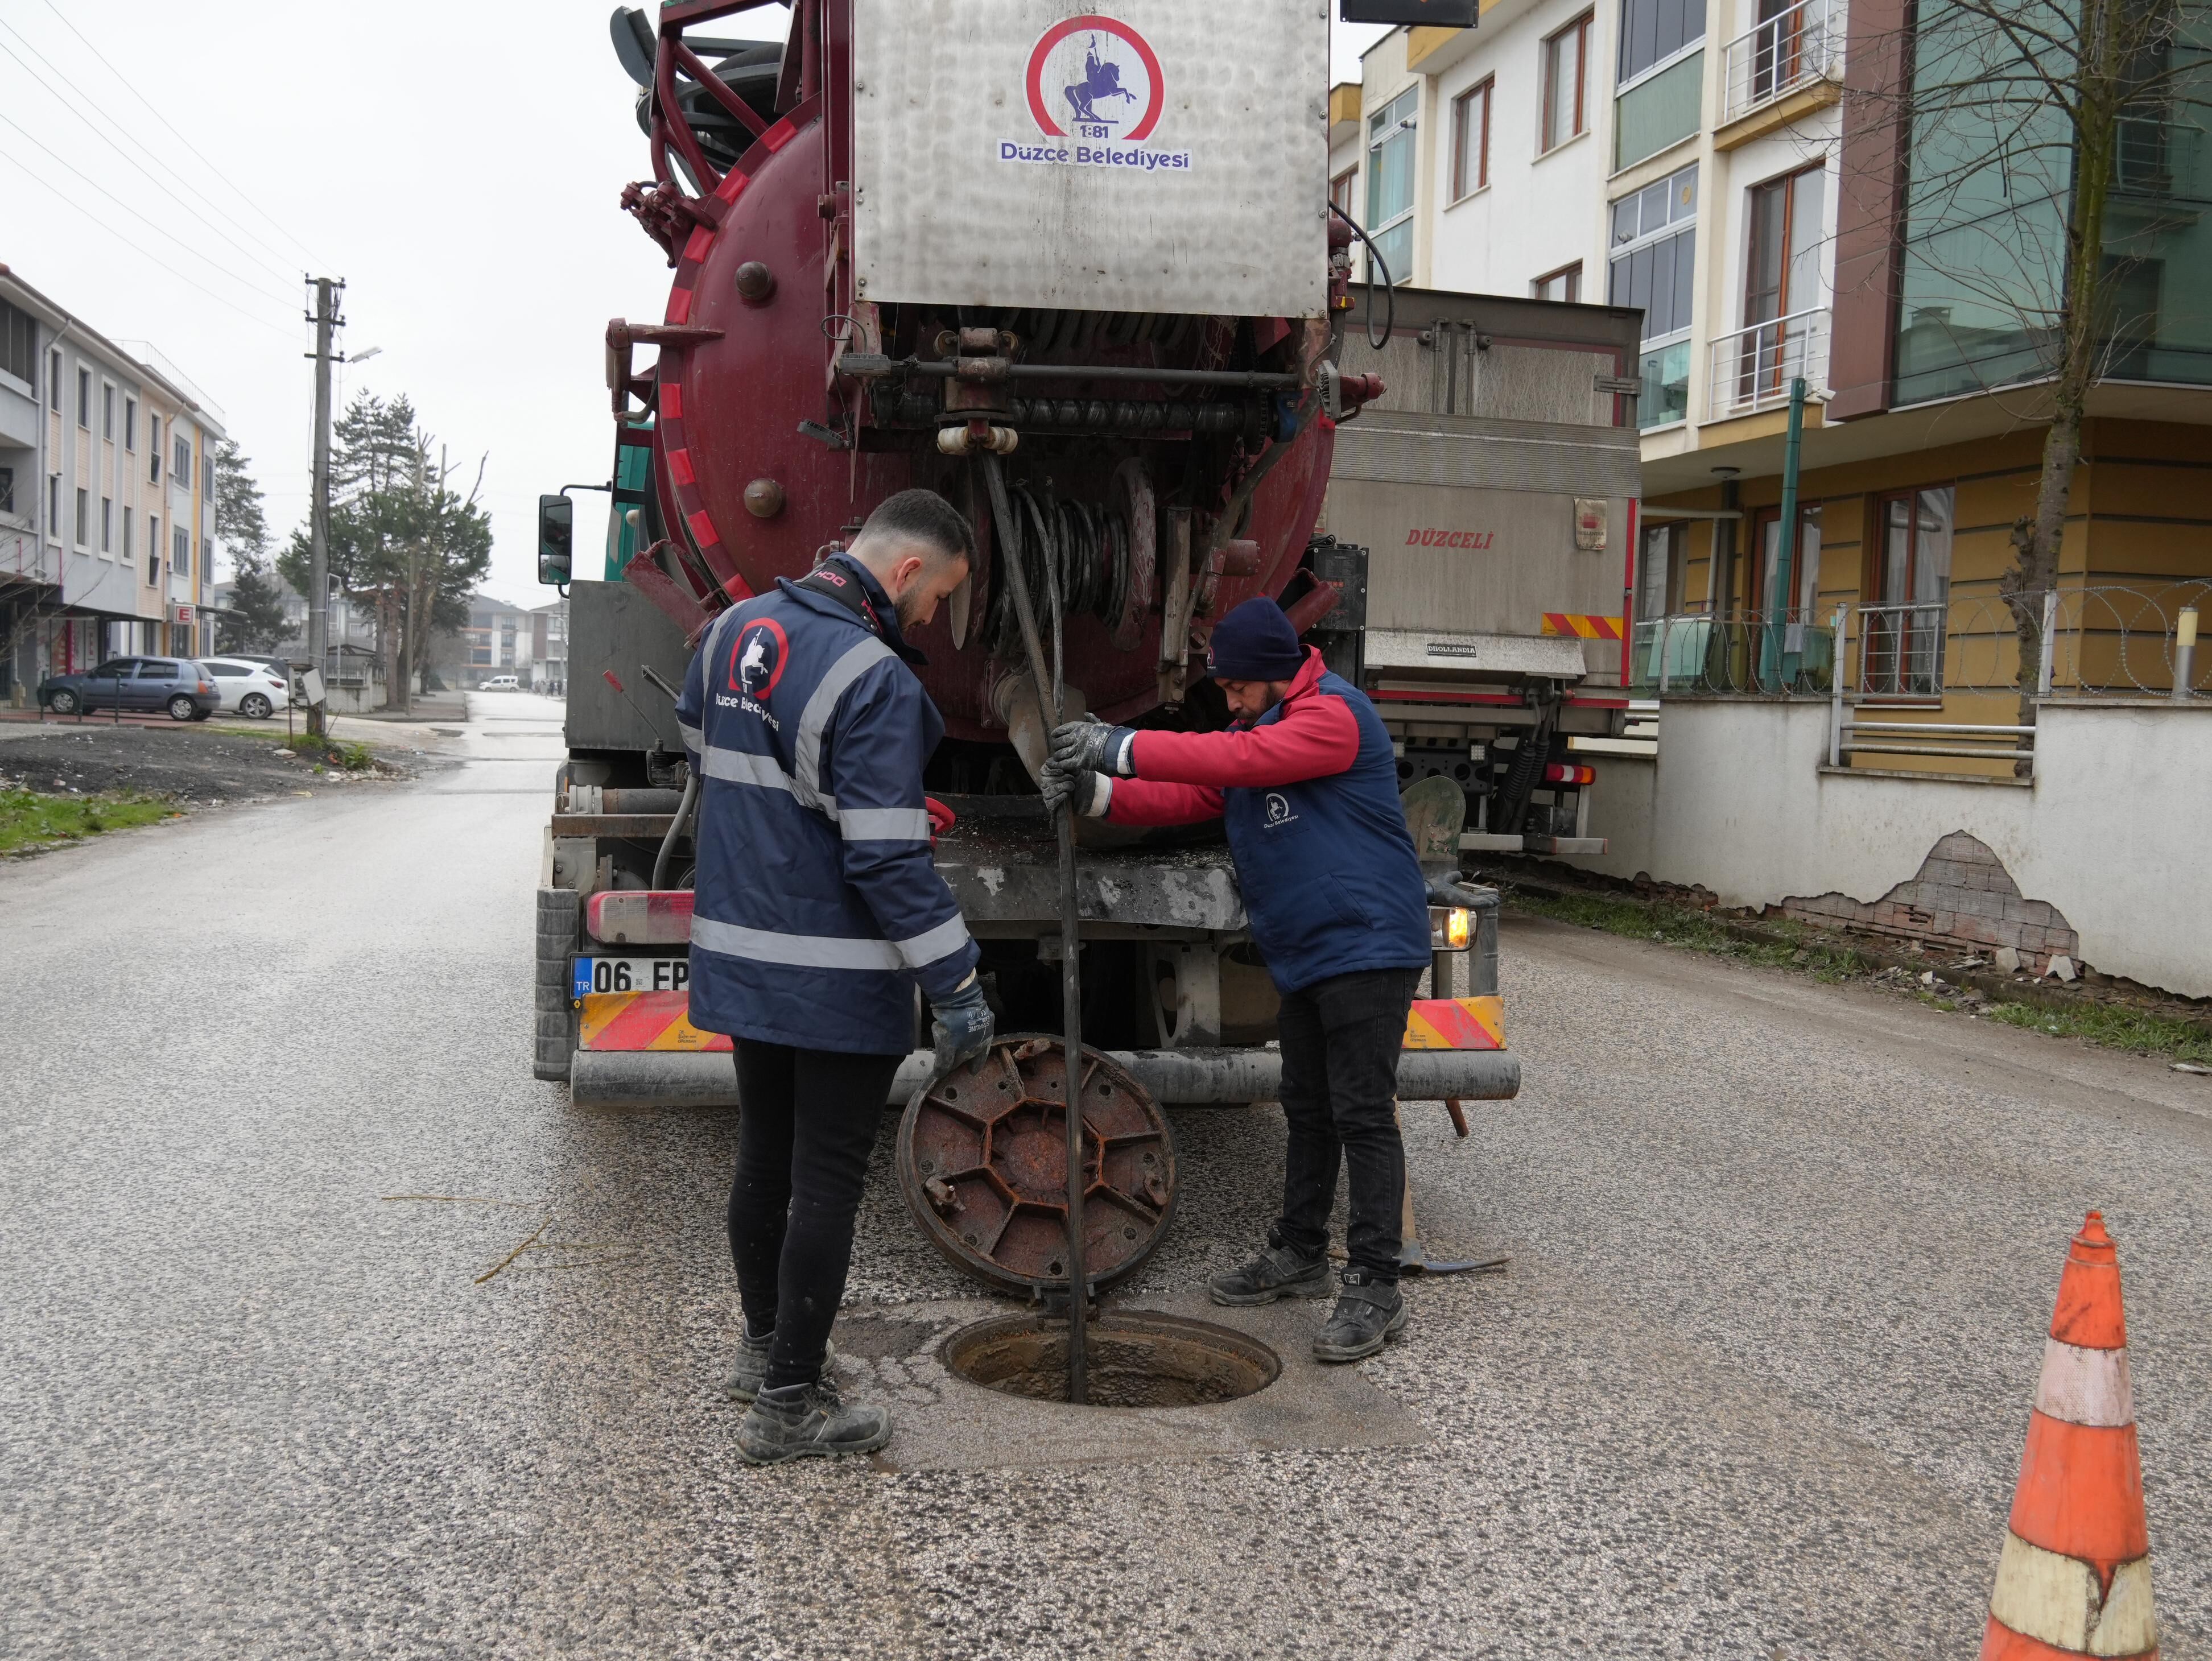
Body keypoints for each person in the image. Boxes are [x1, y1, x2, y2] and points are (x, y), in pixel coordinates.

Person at [675, 489, 994, 1464]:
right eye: (940, 596)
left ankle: (762, 1351)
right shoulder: (874, 675)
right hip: (836, 975)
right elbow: (887, 861)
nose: (932, 617)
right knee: (825, 1184)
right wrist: (958, 984)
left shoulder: (732, 629)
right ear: (907, 570)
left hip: (743, 953)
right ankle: (788, 1407)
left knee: (764, 1158)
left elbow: (709, 751)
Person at [1042, 597, 1432, 1361]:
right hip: (1309, 950)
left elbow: (1234, 762)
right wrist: (1098, 794)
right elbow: (1196, 792)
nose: (1229, 702)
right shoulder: (1265, 726)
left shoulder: (1333, 717)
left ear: (1277, 671)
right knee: (1309, 1109)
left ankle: (1376, 1286)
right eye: (1223, 689)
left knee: (1361, 1114)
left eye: (1237, 687)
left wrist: (1116, 745)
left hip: (1366, 945)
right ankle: (1300, 1254)